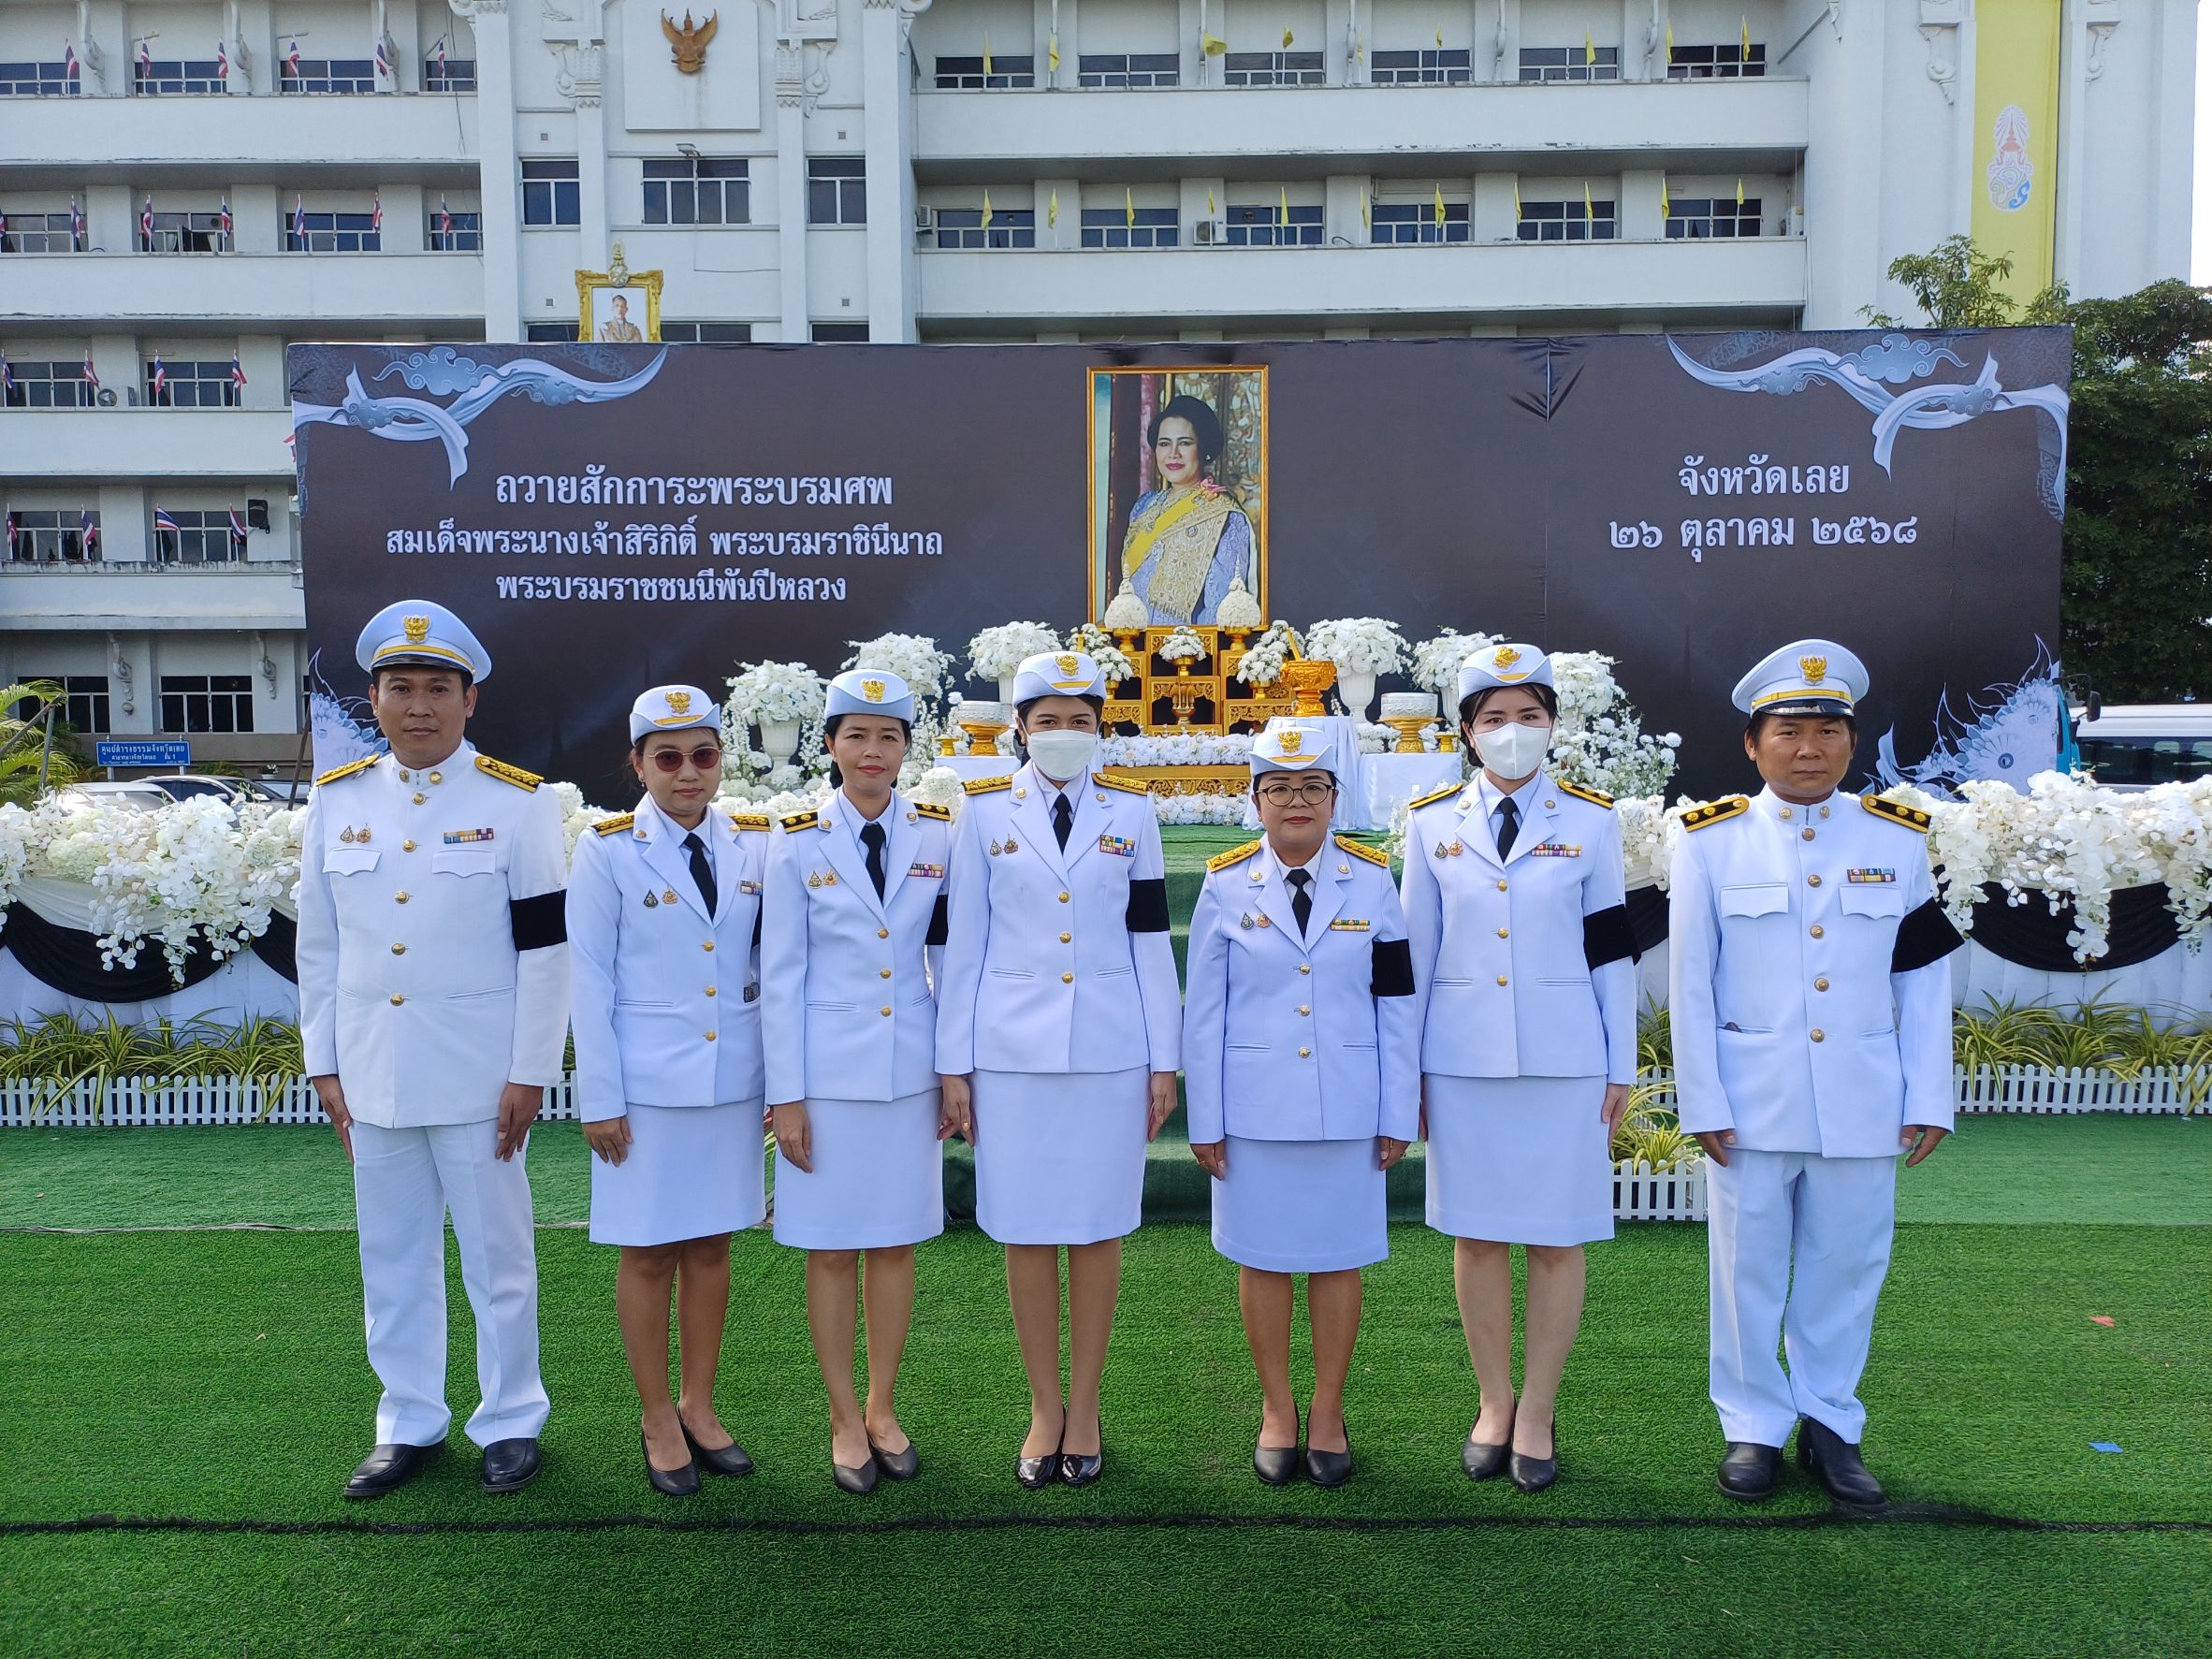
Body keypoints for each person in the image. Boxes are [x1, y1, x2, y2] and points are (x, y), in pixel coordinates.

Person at [1669, 640, 1961, 1512]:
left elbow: (1923, 978)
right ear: (1752, 744)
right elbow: (1689, 983)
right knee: (1746, 1271)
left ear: (1852, 741)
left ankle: (1831, 1421)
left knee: (1847, 1266)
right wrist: (1702, 1098)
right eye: (1789, 730)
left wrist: (1929, 1094)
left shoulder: (1897, 839)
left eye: (1828, 729)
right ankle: (1753, 1425)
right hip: (1750, 1102)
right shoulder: (1711, 842)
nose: (1810, 747)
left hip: (1862, 1097)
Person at [296, 601, 570, 1500]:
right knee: (393, 1256)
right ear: (374, 699)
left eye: (439, 688)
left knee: (498, 1257)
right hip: (374, 1069)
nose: (420, 705)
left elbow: (545, 950)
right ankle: (408, 1419)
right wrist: (324, 1062)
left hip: (481, 1075)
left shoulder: (517, 802)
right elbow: (320, 946)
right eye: (401, 687)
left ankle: (510, 1417)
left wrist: (530, 1069)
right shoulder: (337, 801)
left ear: (470, 699)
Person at [936, 649, 1181, 1489]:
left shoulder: (1132, 813)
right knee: (1027, 1227)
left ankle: (1086, 1403)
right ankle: (1045, 1406)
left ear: (1100, 729)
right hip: (1011, 1056)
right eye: (1048, 720)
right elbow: (963, 945)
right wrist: (955, 1064)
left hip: (1111, 1050)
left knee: (1098, 1225)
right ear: (1020, 728)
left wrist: (1164, 1059)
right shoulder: (981, 814)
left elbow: (1151, 941)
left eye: (1081, 720)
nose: (1064, 733)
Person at [1402, 641, 1637, 1494]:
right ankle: (1493, 1401)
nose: (1512, 731)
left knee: (1556, 1237)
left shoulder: (1592, 821)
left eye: (1529, 715)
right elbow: (1414, 956)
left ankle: (1538, 1409)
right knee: (1477, 1235)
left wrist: (1620, 1062)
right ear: (1467, 732)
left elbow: (1611, 949)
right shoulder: (1431, 823)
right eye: (1494, 717)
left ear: (1552, 724)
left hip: (1564, 1059)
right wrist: (1407, 1074)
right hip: (1461, 1061)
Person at [1183, 725, 1416, 1487]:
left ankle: (1327, 1409)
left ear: (1334, 798)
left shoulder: (1372, 880)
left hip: (1349, 1103)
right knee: (1264, 1257)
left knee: (1338, 1256)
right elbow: (1203, 1012)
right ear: (1255, 801)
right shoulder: (1225, 884)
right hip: (1255, 1109)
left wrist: (1397, 1109)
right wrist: (1206, 1118)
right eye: (1279, 787)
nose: (1296, 800)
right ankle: (1277, 1408)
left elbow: (1397, 1002)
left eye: (1313, 785)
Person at [566, 685, 770, 1497]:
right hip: (645, 1089)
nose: (689, 772)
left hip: (730, 1083)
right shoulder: (608, 850)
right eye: (669, 757)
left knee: (713, 1246)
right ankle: (656, 1414)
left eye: (703, 755)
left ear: (721, 759)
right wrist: (600, 1097)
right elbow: (588, 978)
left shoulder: (753, 845)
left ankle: (699, 1403)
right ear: (640, 763)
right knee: (649, 1252)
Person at [763, 669, 956, 1496]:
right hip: (828, 1078)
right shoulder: (795, 839)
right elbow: (779, 975)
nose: (872, 751)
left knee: (895, 1243)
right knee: (833, 1248)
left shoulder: (938, 834)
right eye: (856, 736)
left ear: (907, 747)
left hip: (910, 1071)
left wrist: (953, 1069)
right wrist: (786, 1095)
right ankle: (843, 1415)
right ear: (831, 745)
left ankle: (882, 1405)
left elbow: (950, 958)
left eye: (888, 736)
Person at [1117, 392, 1255, 626]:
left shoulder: (1225, 516)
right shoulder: (1144, 506)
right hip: (1133, 640)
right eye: (1164, 444)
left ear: (1204, 449)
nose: (1173, 454)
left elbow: (1223, 608)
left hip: (1187, 644)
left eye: (1185, 443)